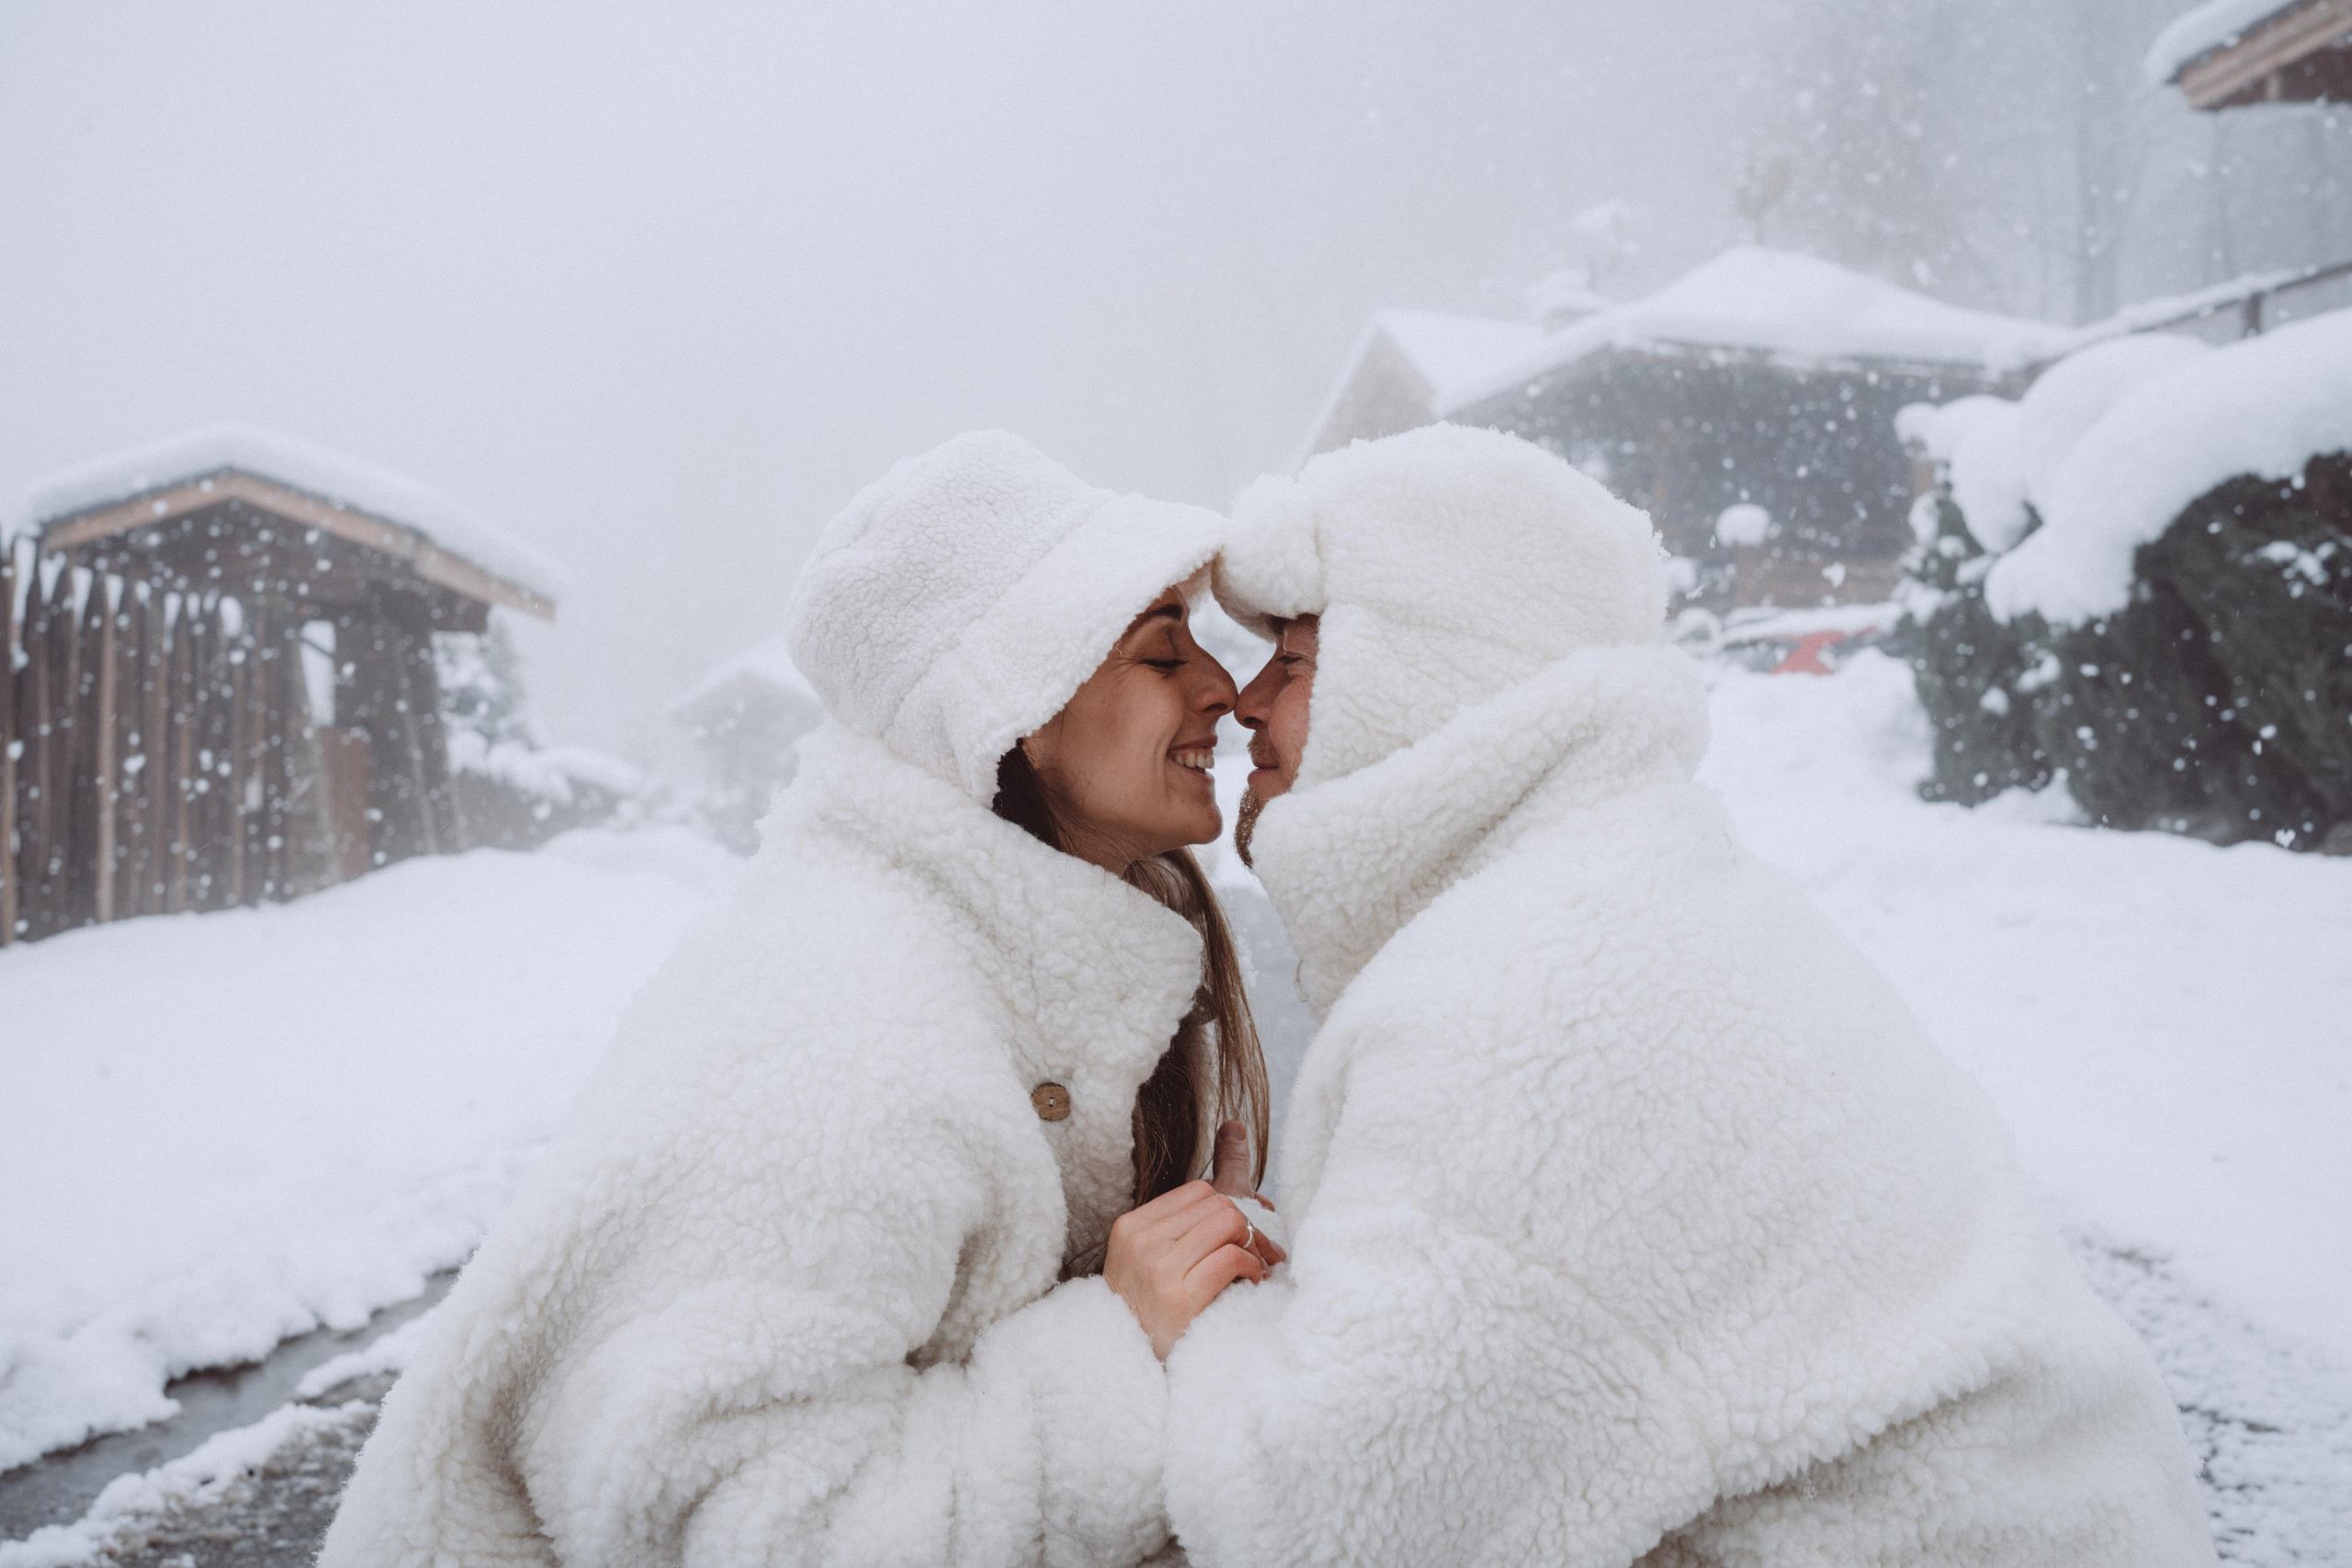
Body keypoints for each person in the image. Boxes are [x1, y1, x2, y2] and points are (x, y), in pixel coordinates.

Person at [1131, 423, 2217, 1566]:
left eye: (1295, 661)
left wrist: (1202, 1315)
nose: (1245, 703)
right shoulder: (1623, 895)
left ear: (1421, 681)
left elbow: (1320, 1527)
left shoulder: (1527, 1005)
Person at [322, 430, 1277, 1568]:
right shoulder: (844, 1019)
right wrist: (1121, 1353)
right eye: (1162, 655)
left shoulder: (1108, 947)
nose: (1224, 686)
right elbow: (756, 1531)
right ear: (1013, 706)